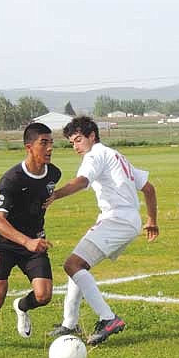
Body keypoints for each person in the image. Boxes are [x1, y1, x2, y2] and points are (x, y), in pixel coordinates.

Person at [45, 115, 158, 345]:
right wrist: (151, 220)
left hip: (117, 219)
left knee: (72, 265)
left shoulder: (95, 154)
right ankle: (70, 323)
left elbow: (82, 181)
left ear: (92, 136)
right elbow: (149, 188)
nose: (75, 146)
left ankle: (109, 318)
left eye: (77, 140)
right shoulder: (116, 155)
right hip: (126, 219)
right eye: (71, 143)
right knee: (78, 265)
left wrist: (55, 194)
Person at [0, 123, 61, 352]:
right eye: (43, 143)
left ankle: (21, 306)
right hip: (0, 245)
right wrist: (26, 241)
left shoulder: (54, 173)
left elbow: (44, 196)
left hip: (33, 241)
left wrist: (53, 197)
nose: (50, 148)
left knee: (44, 295)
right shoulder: (12, 179)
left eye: (51, 143)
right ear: (29, 147)